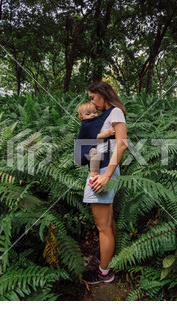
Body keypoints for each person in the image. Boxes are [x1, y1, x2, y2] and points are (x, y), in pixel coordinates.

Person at [80, 81, 128, 284]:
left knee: (103, 227)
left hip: (103, 171)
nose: (92, 102)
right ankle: (106, 264)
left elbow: (122, 143)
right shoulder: (105, 116)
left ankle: (104, 273)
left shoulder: (115, 112)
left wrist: (106, 175)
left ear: (102, 93)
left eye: (93, 97)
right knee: (107, 223)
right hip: (101, 169)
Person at [77, 101, 116, 181]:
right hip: (83, 149)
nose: (92, 115)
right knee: (96, 153)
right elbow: (94, 136)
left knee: (95, 154)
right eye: (88, 114)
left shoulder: (93, 122)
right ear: (81, 117)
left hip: (92, 149)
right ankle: (94, 176)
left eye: (95, 112)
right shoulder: (86, 124)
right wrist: (108, 133)